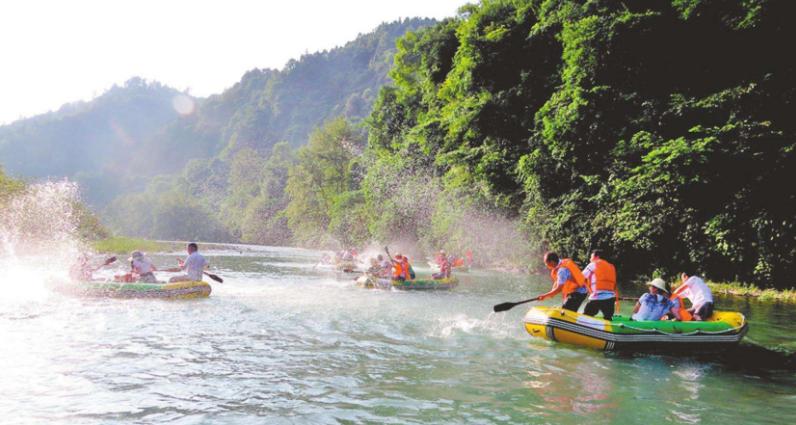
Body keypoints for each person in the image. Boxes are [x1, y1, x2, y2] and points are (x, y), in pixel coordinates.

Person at [581, 249, 619, 321]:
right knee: (608, 319)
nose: (590, 259)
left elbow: (580, 277)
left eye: (591, 257)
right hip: (610, 298)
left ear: (597, 257)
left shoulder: (593, 264)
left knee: (586, 317)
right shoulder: (611, 266)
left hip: (596, 298)